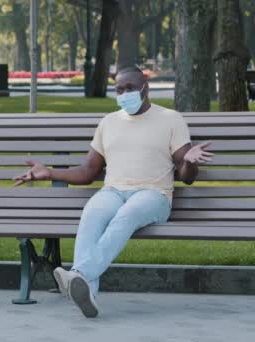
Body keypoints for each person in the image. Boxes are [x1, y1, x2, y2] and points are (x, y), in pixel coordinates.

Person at [13, 66, 213, 318]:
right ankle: (88, 295)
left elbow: (187, 178)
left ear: (145, 87)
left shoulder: (170, 119)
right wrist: (50, 173)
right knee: (92, 213)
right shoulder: (109, 123)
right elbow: (87, 172)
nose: (124, 94)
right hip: (114, 191)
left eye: (129, 88)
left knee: (126, 215)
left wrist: (190, 161)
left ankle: (80, 274)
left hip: (154, 195)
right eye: (119, 90)